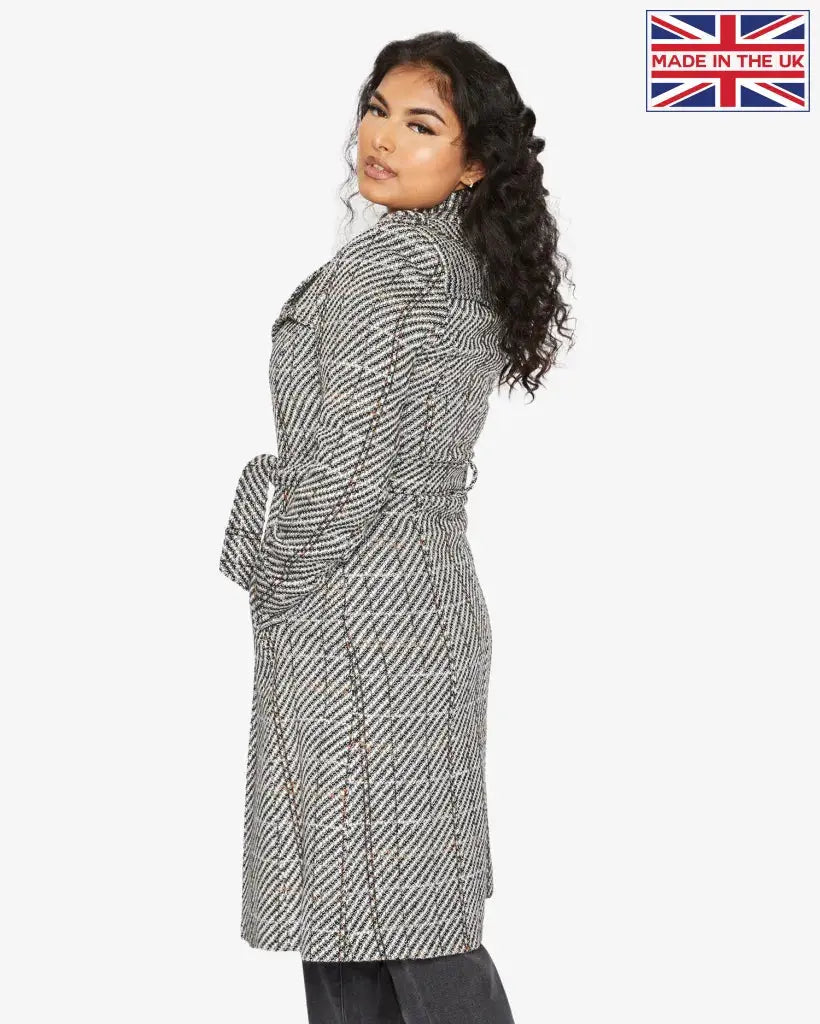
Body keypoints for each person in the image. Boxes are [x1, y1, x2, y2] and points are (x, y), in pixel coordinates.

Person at [219, 29, 574, 1024]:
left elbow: (341, 475)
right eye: (377, 110)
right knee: (384, 910)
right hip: (418, 602)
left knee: (391, 924)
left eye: (421, 125)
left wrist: (265, 563)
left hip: (358, 622)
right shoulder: (456, 265)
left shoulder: (391, 273)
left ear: (472, 162)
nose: (381, 137)